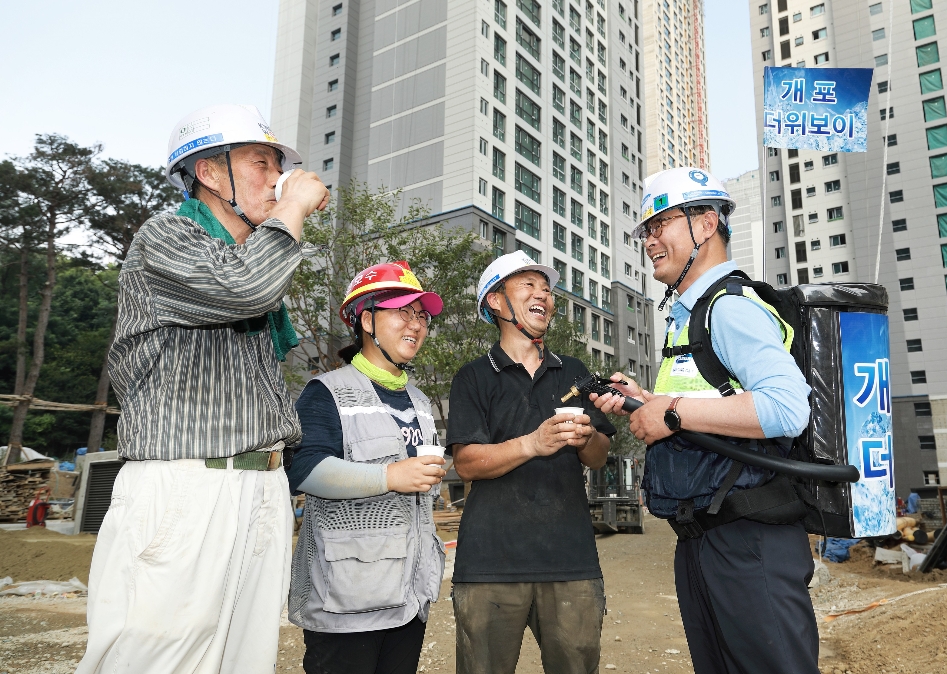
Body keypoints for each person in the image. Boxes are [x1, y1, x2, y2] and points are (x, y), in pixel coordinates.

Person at [76, 104, 329, 674]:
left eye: (277, 166)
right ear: (210, 173)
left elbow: (253, 280)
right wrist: (292, 207)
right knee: (158, 657)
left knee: (245, 660)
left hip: (260, 489)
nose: (276, 177)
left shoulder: (246, 254)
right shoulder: (167, 236)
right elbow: (245, 288)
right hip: (186, 485)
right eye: (261, 162)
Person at [590, 167, 818, 674]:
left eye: (660, 224)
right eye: (644, 230)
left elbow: (787, 408)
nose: (649, 240)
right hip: (705, 539)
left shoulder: (729, 307)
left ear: (707, 223)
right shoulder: (689, 316)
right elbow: (713, 404)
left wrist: (669, 412)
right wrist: (645, 401)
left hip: (751, 540)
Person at [446, 251, 616, 674]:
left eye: (547, 289)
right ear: (496, 301)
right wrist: (533, 443)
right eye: (528, 285)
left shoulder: (573, 371)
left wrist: (588, 435)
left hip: (570, 560)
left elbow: (597, 459)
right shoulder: (473, 376)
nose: (544, 295)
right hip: (489, 565)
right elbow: (467, 464)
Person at [285, 260, 447, 674]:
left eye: (422, 315)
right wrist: (389, 476)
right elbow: (302, 468)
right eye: (403, 312)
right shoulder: (328, 392)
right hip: (346, 603)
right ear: (367, 320)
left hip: (409, 599)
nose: (416, 324)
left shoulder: (419, 401)